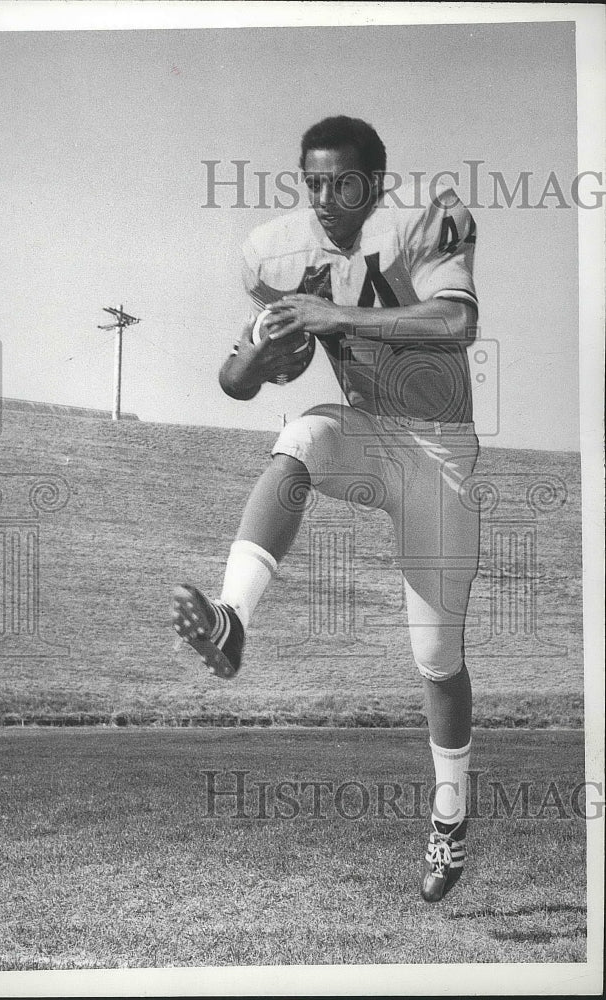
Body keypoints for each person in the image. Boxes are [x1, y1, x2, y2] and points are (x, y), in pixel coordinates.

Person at [172, 116, 480, 902]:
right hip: (371, 436)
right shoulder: (288, 258)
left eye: (343, 182)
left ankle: (451, 813)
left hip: (439, 453)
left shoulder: (427, 221)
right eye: (312, 182)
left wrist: (336, 318)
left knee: (436, 662)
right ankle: (234, 621)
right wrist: (260, 352)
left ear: (375, 183)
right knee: (303, 432)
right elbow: (238, 381)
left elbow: (456, 319)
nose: (326, 198)